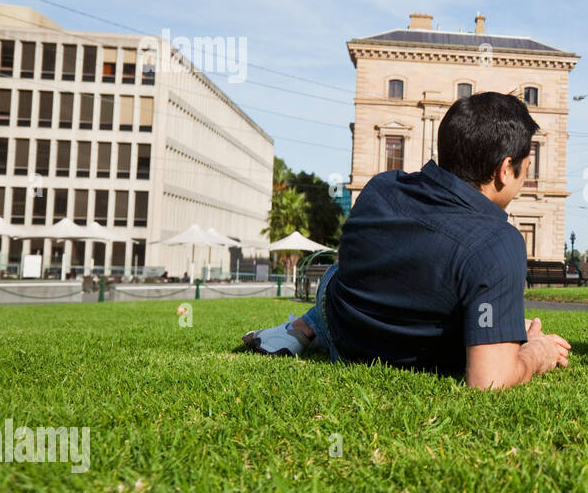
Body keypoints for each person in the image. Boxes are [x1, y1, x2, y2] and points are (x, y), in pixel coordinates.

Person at [241, 92, 570, 389]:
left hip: (342, 327)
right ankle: (300, 327)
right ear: (505, 169)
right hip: (404, 352)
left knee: (339, 273)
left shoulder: (380, 187)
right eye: (525, 168)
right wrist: (535, 353)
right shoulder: (499, 243)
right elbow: (489, 381)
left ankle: (301, 328)